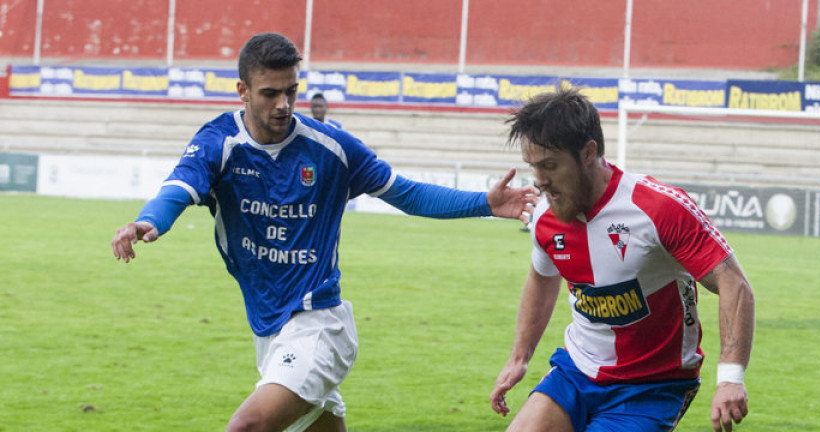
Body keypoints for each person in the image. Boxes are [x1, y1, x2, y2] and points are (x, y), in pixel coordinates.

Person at [111, 32, 535, 432]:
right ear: (242, 91)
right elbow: (178, 187)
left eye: (291, 91)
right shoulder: (218, 142)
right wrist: (150, 221)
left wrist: (485, 203)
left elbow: (406, 193)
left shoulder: (332, 148)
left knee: (247, 426)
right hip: (270, 329)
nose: (284, 104)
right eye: (270, 93)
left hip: (319, 325)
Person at [489, 87, 755, 432]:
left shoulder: (659, 208)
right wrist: (519, 357)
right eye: (533, 167)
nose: (540, 180)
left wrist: (731, 377)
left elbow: (734, 284)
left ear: (588, 152)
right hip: (577, 371)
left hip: (651, 385)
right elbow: (542, 277)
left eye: (550, 166)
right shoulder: (545, 215)